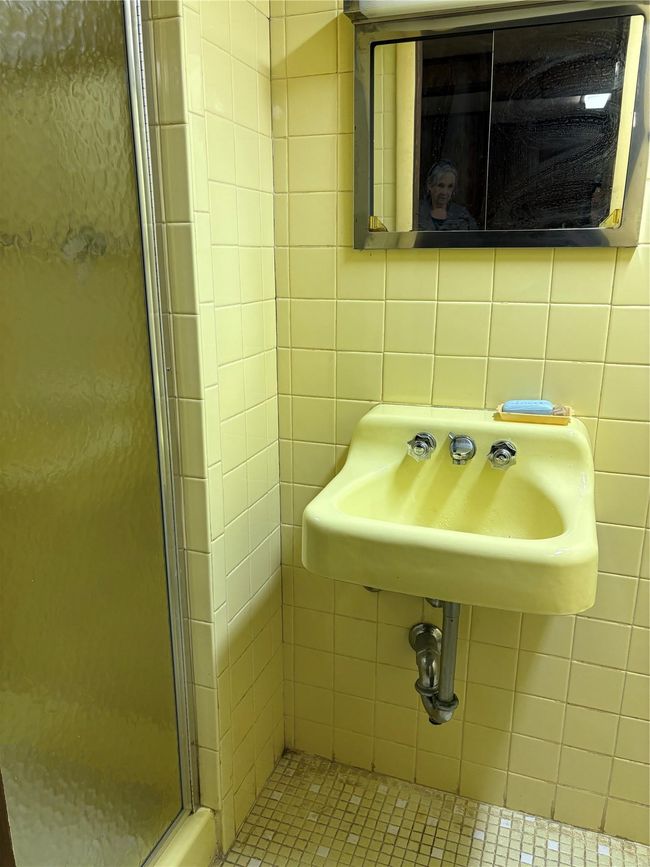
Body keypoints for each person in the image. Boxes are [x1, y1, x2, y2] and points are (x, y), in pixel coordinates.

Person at [418, 159, 478, 231]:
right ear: (430, 185)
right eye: (440, 185)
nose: (445, 192)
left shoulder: (463, 216)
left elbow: (476, 239)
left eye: (450, 186)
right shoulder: (416, 213)